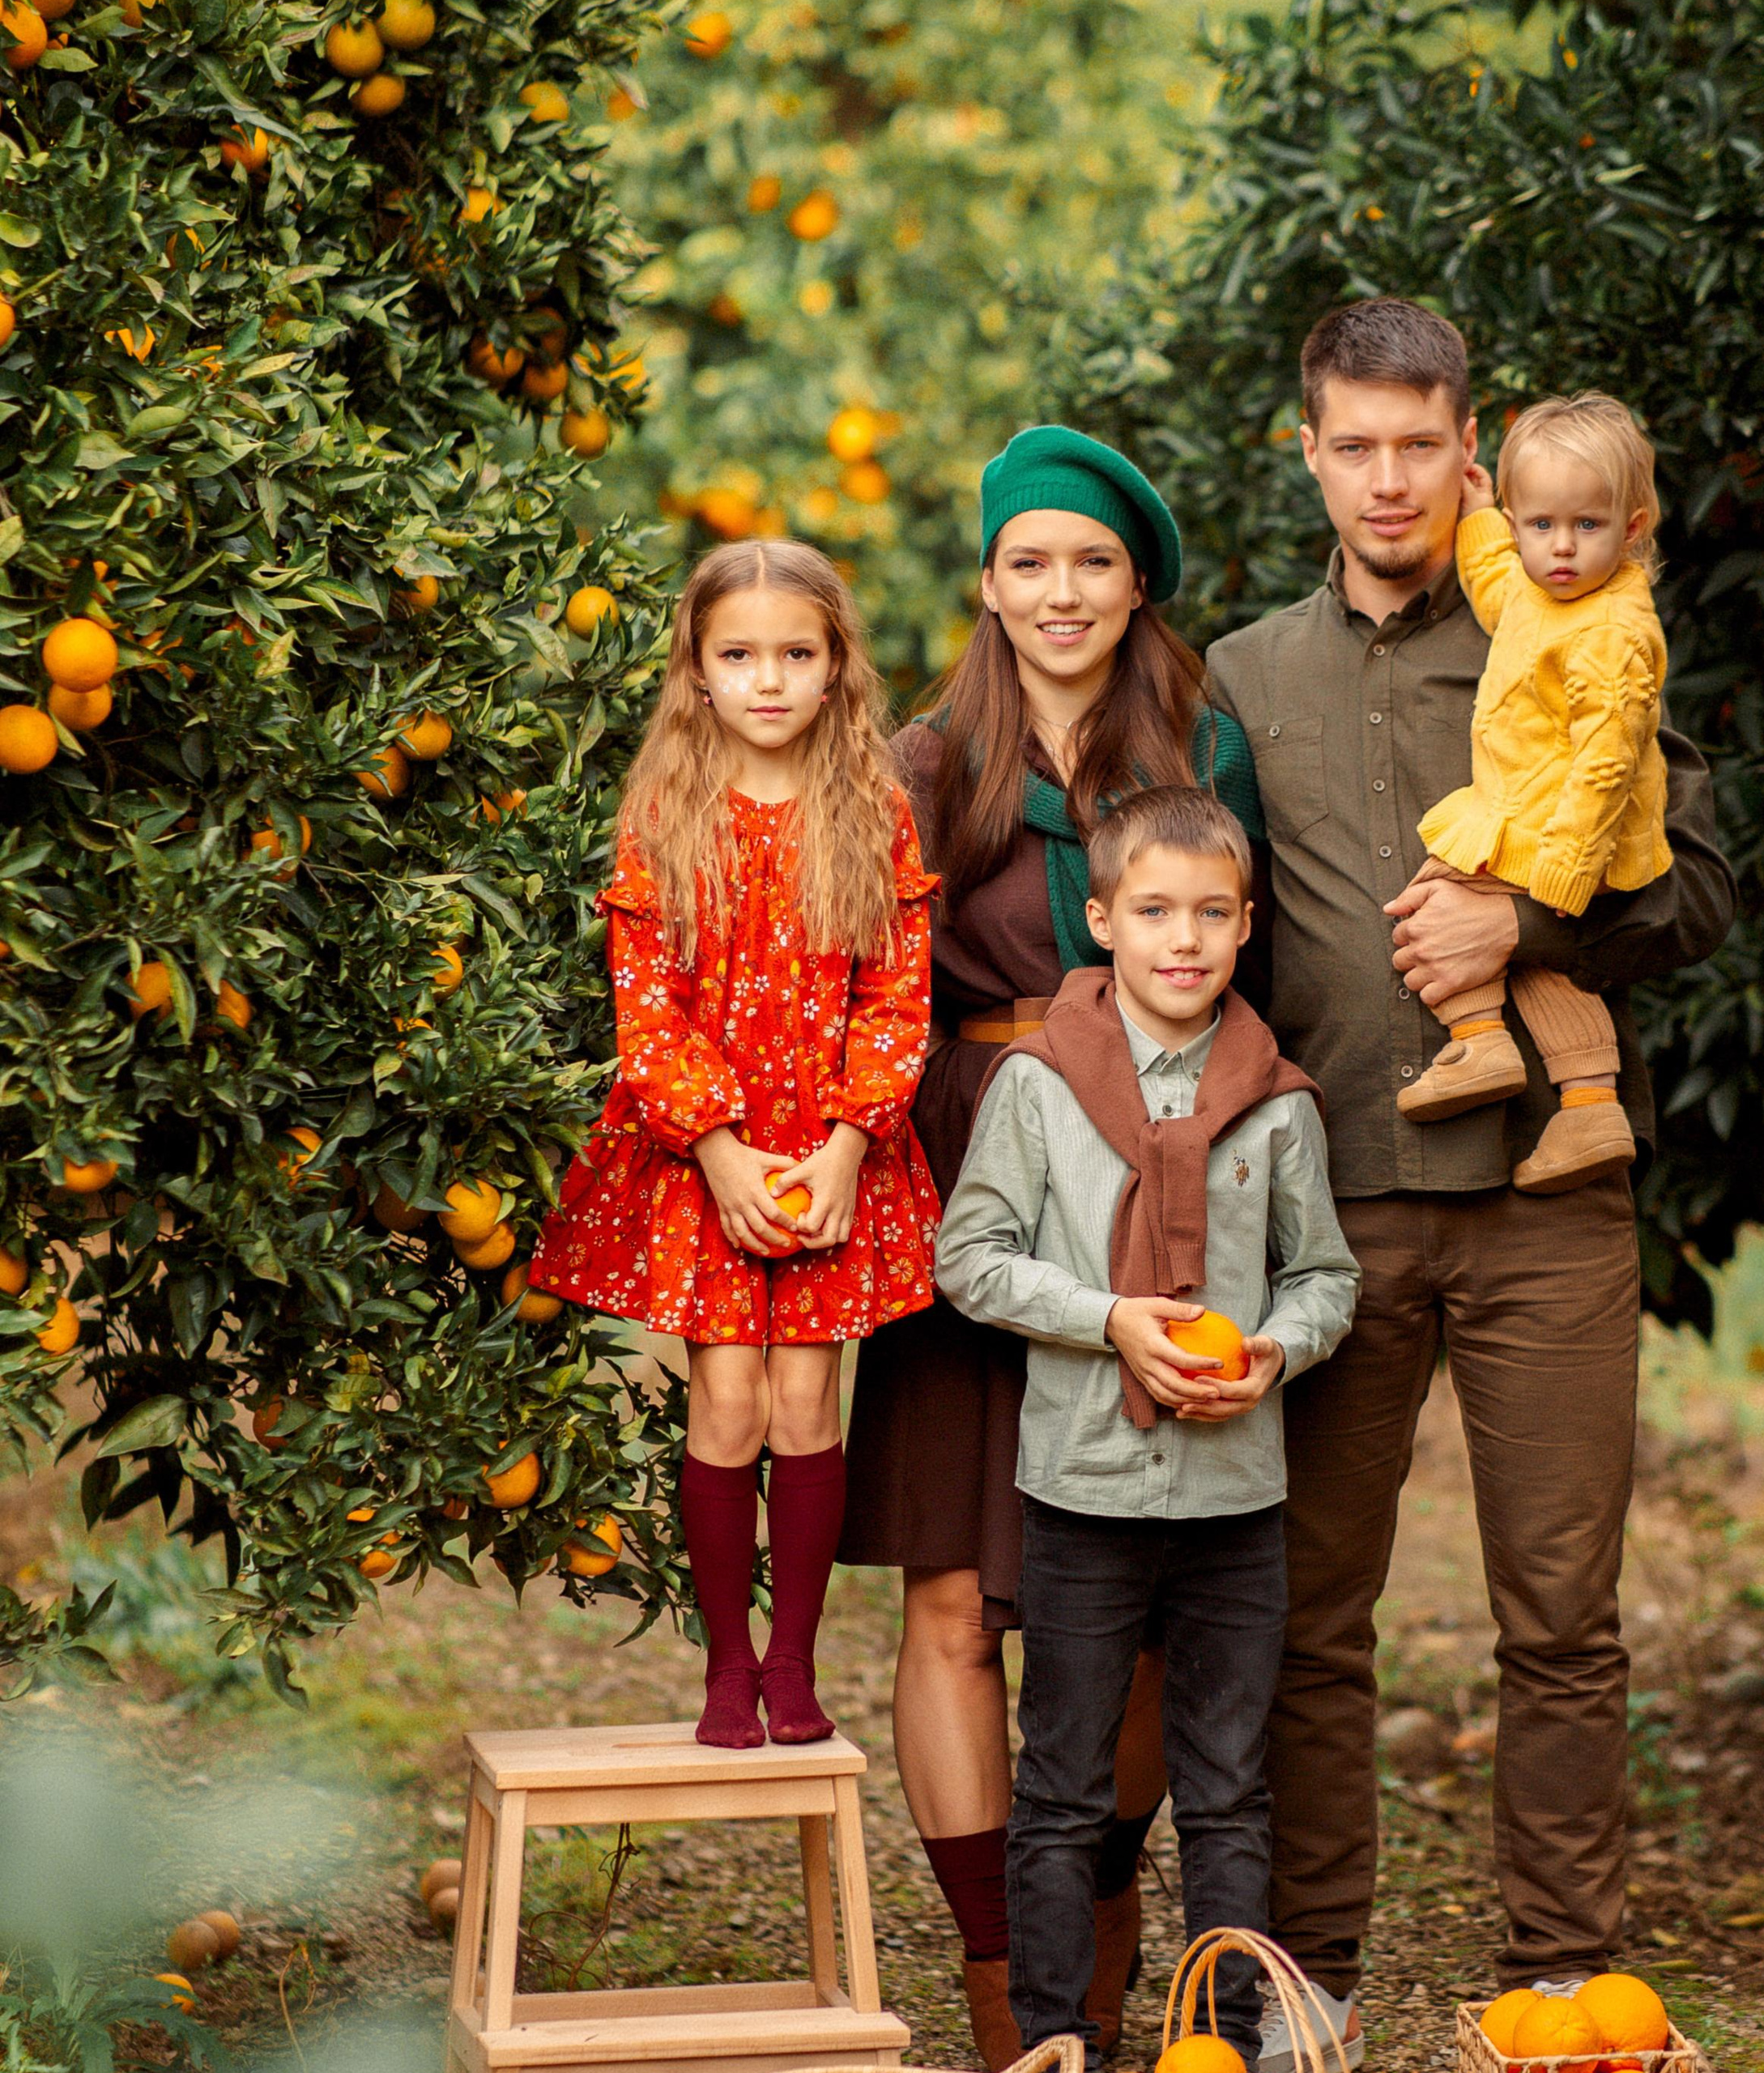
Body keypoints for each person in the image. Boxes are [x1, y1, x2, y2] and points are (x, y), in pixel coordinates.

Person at [1202, 299, 1736, 2068]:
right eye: (1349, 444)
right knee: (1308, 1606)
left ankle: (1562, 1980)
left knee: (1558, 1609)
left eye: (1415, 444)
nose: (1382, 477)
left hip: (1543, 1197)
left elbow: (1702, 883)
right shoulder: (1238, 674)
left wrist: (1535, 916)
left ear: (1467, 446)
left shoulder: (1563, 622)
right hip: (1328, 1212)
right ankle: (1307, 1976)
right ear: (1307, 452)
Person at [838, 427, 1266, 2067]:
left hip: (1151, 1190)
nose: (1061, 588)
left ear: (1133, 577)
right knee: (951, 1597)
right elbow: (863, 990)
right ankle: (1000, 1973)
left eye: (1090, 558)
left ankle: (1088, 1900)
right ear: (989, 581)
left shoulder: (1201, 751)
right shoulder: (928, 761)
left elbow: (1253, 964)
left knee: (1136, 1598)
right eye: (1030, 559)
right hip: (968, 1181)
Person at [934, 786, 1360, 2069]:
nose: (1185, 940)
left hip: (1237, 1500)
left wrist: (1278, 1350)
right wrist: (1111, 1318)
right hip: (1083, 1491)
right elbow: (974, 1259)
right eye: (1156, 911)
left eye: (1213, 915)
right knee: (1063, 1786)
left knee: (1230, 1789)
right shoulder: (1038, 1085)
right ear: (1103, 921)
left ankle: (1223, 2035)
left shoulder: (1277, 1103)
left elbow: (1325, 1276)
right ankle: (1056, 2034)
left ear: (1245, 928)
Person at [531, 538, 940, 1751]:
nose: (770, 678)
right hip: (702, 1154)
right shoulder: (666, 813)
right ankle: (725, 1670)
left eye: (797, 654)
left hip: (829, 1153)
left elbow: (896, 995)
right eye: (741, 654)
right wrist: (713, 1149)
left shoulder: (871, 809)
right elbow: (643, 1001)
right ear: (698, 672)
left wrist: (849, 1146)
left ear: (836, 670)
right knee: (726, 1400)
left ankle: (795, 1664)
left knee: (808, 1396)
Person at [1399, 393, 1671, 1194]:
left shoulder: (1610, 629)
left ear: (1631, 527)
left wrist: (1563, 868)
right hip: (1534, 815)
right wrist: (1481, 516)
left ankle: (1483, 1039)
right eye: (1538, 525)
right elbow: (1491, 580)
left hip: (1572, 835)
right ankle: (1585, 1103)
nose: (1559, 548)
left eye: (1585, 527)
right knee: (1527, 958)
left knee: (1439, 894)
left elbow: (1607, 761)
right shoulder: (1539, 591)